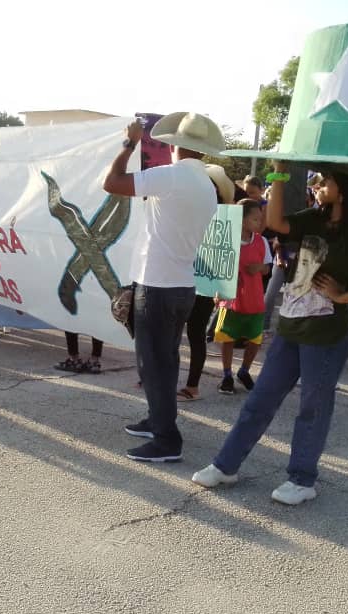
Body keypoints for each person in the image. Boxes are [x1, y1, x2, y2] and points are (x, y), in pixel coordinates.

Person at [192, 165, 348, 504]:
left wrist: (347, 296)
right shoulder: (311, 218)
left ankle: (302, 480)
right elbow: (276, 223)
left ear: (343, 190)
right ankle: (226, 465)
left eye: (326, 181)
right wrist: (278, 174)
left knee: (312, 408)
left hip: (327, 335)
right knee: (259, 401)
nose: (319, 185)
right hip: (290, 327)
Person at [102, 112, 222, 462]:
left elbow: (112, 182)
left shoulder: (171, 176)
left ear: (174, 145)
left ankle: (167, 440)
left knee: (153, 363)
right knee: (165, 361)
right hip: (181, 284)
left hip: (157, 284)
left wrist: (129, 143)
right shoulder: (206, 185)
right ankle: (158, 420)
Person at [180, 164, 235, 401]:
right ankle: (157, 378)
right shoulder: (185, 209)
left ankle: (192, 386)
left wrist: (222, 287)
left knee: (195, 333)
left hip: (204, 284)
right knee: (170, 332)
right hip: (178, 277)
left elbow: (227, 253)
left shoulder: (225, 217)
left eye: (212, 186)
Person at [213, 199, 272, 394]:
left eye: (260, 218)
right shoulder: (226, 240)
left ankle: (244, 370)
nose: (259, 222)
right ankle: (227, 375)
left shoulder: (261, 241)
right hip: (231, 300)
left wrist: (260, 268)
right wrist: (217, 289)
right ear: (242, 220)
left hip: (254, 299)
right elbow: (216, 268)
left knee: (255, 339)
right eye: (255, 219)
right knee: (228, 338)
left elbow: (267, 268)